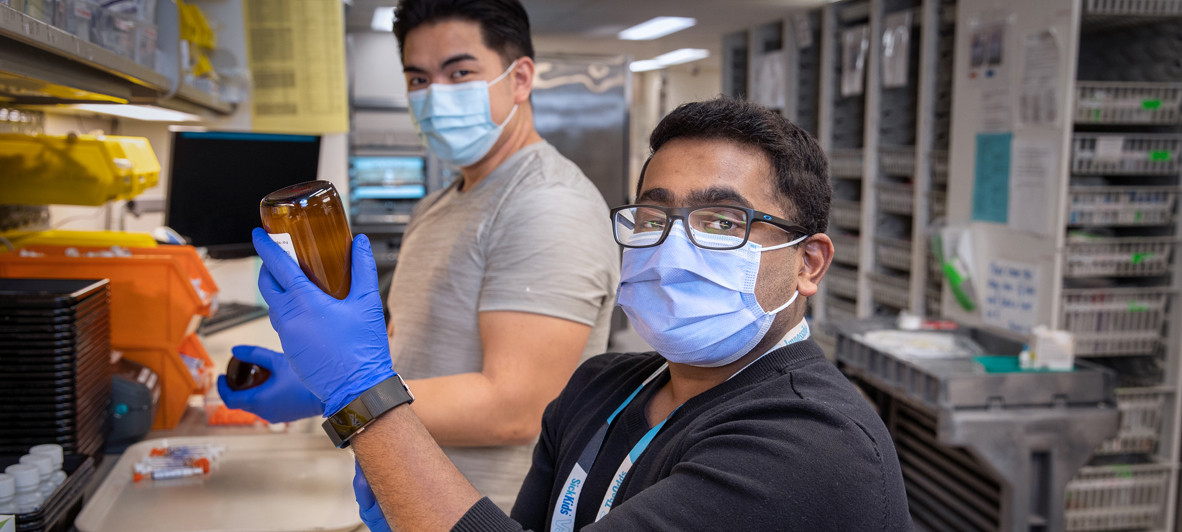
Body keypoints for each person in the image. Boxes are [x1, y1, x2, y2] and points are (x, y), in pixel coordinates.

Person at [248, 96, 912, 531]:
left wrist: (361, 394)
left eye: (721, 220)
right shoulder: (604, 387)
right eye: (654, 215)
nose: (675, 246)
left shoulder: (810, 443)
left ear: (809, 263)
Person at [218, 0, 620, 511]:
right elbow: (407, 346)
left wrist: (339, 392)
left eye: (460, 72)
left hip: (486, 512)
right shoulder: (441, 203)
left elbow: (516, 408)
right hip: (413, 495)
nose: (436, 95)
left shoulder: (547, 204)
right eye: (418, 80)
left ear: (519, 79)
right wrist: (318, 371)